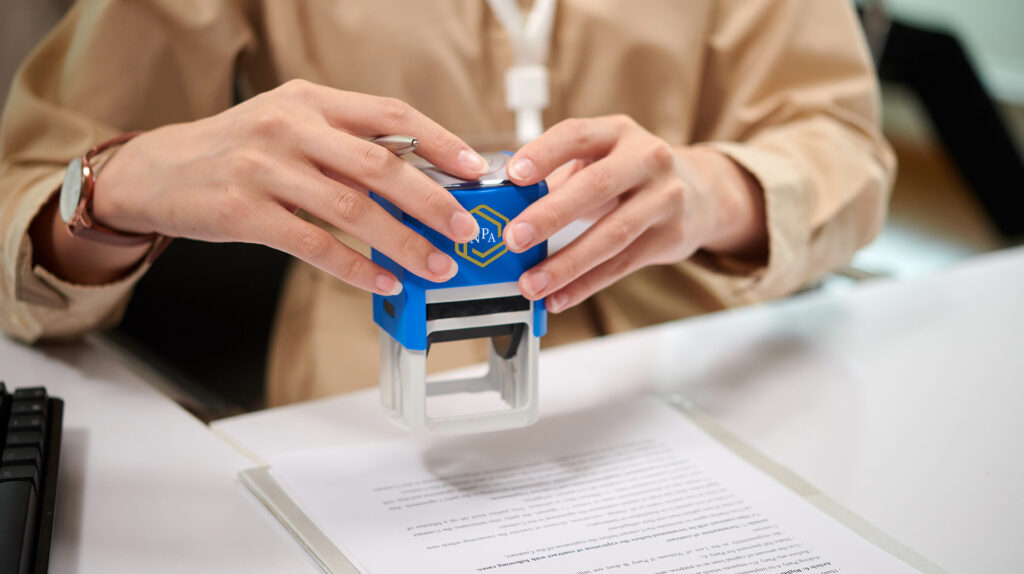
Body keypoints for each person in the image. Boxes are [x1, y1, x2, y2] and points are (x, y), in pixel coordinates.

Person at [0, 0, 895, 406]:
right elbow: (25, 203)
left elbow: (844, 146)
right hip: (366, 396)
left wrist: (712, 192)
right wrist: (112, 191)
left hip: (692, 379)